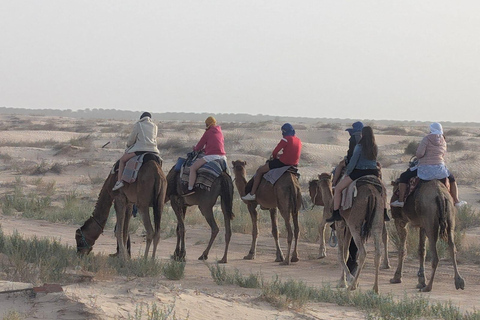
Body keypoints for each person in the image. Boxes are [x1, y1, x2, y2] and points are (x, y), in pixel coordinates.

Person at [391, 122, 467, 208]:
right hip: (440, 169)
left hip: (425, 168)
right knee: (452, 179)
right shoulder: (443, 140)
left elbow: (419, 154)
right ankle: (456, 201)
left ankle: (400, 201)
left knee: (404, 176)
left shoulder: (426, 139)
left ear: (431, 129)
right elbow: (443, 154)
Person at [327, 126, 379, 222]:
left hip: (360, 171)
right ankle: (383, 211)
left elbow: (353, 162)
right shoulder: (375, 147)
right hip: (374, 172)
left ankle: (336, 213)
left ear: (363, 134)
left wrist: (348, 173)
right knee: (381, 190)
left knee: (338, 189)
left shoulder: (359, 147)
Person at [242, 123, 302, 201]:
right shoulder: (299, 140)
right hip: (294, 164)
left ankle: (252, 194)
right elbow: (292, 152)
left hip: (283, 163)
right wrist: (282, 155)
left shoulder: (286, 139)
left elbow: (275, 152)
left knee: (260, 171)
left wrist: (275, 157)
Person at [112, 112, 160, 191]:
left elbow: (131, 139)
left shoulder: (138, 125)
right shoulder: (155, 126)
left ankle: (119, 181)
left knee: (122, 160)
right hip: (154, 151)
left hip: (140, 150)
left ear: (141, 118)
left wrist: (128, 146)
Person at [184, 116, 226, 196]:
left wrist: (195, 148)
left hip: (212, 156)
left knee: (193, 168)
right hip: (223, 157)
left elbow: (199, 146)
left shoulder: (208, 132)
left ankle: (190, 189)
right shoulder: (220, 131)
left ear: (207, 124)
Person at [332, 121, 364, 186]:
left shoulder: (354, 137)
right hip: (365, 160)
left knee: (340, 165)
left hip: (354, 159)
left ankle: (334, 183)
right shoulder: (366, 137)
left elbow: (352, 152)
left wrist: (348, 159)